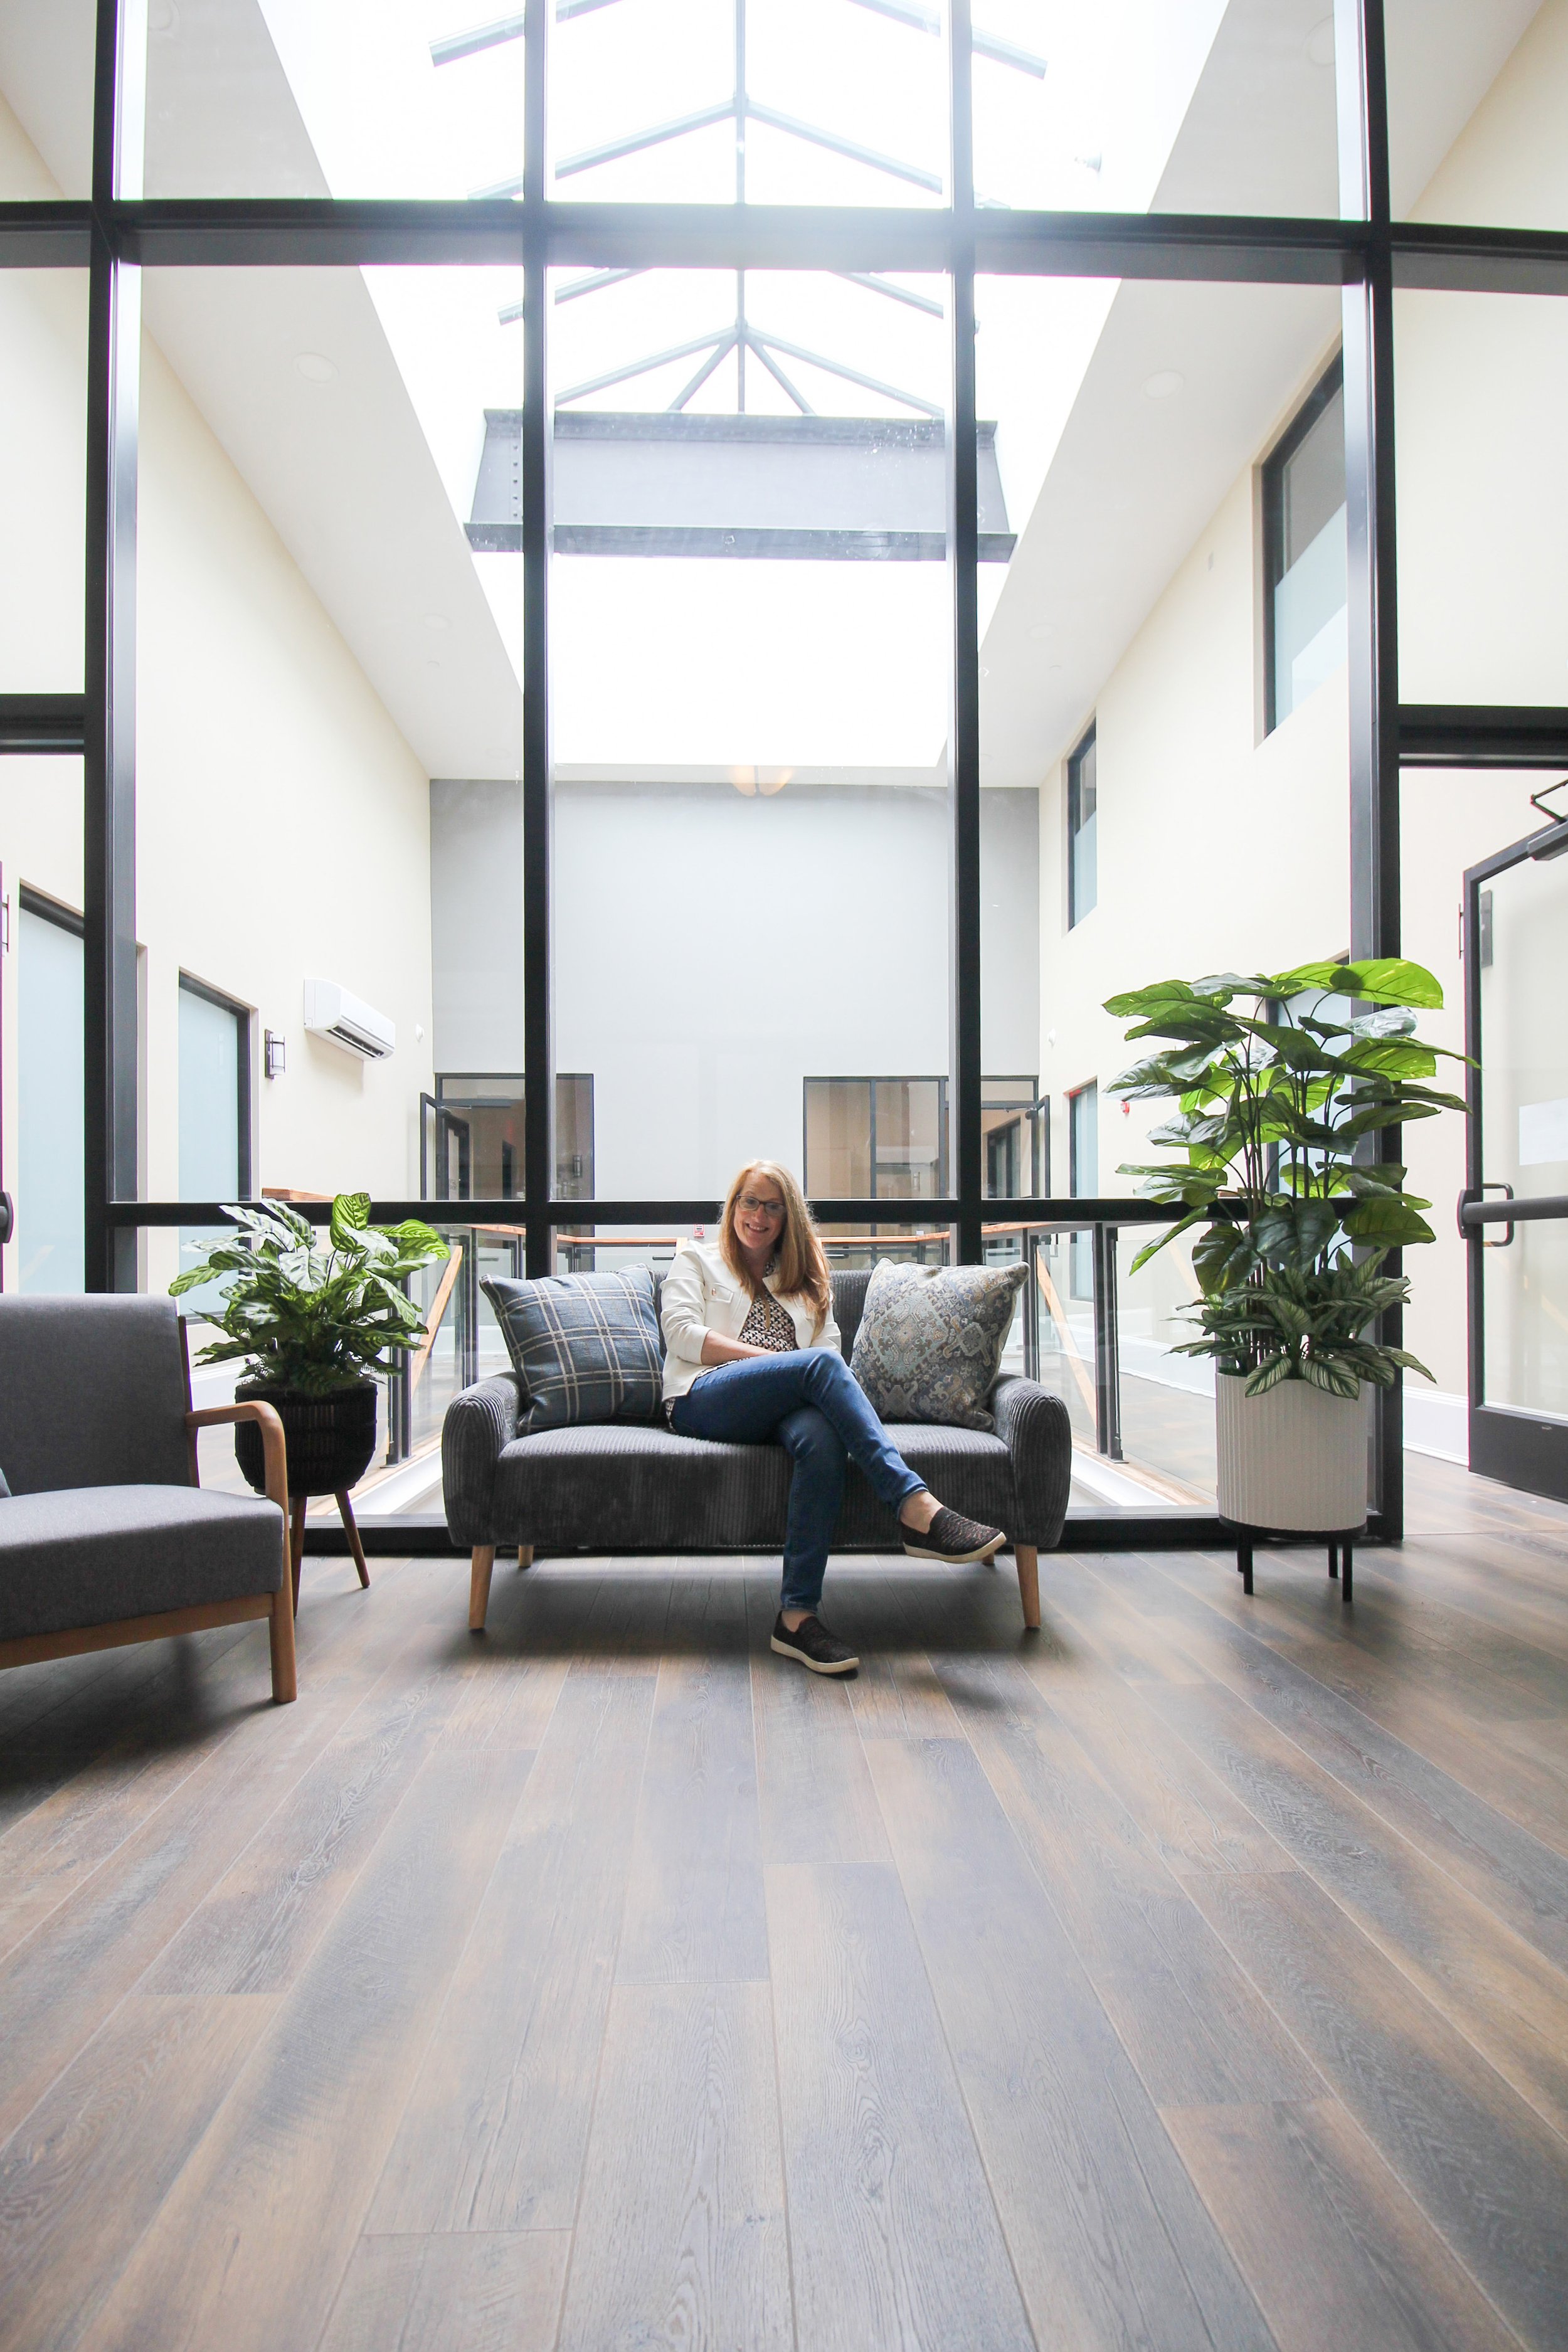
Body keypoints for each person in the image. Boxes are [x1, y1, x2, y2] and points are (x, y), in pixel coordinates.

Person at [661, 1159, 1005, 1676]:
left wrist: (792, 1373)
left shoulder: (806, 1275)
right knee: (820, 1367)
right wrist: (777, 1364)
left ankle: (796, 1619)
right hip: (705, 1395)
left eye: (772, 1207)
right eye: (749, 1202)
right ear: (733, 1207)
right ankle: (915, 1507)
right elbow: (682, 1334)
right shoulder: (697, 1262)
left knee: (821, 1438)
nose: (758, 1215)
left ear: (788, 1217)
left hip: (786, 1404)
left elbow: (826, 1346)